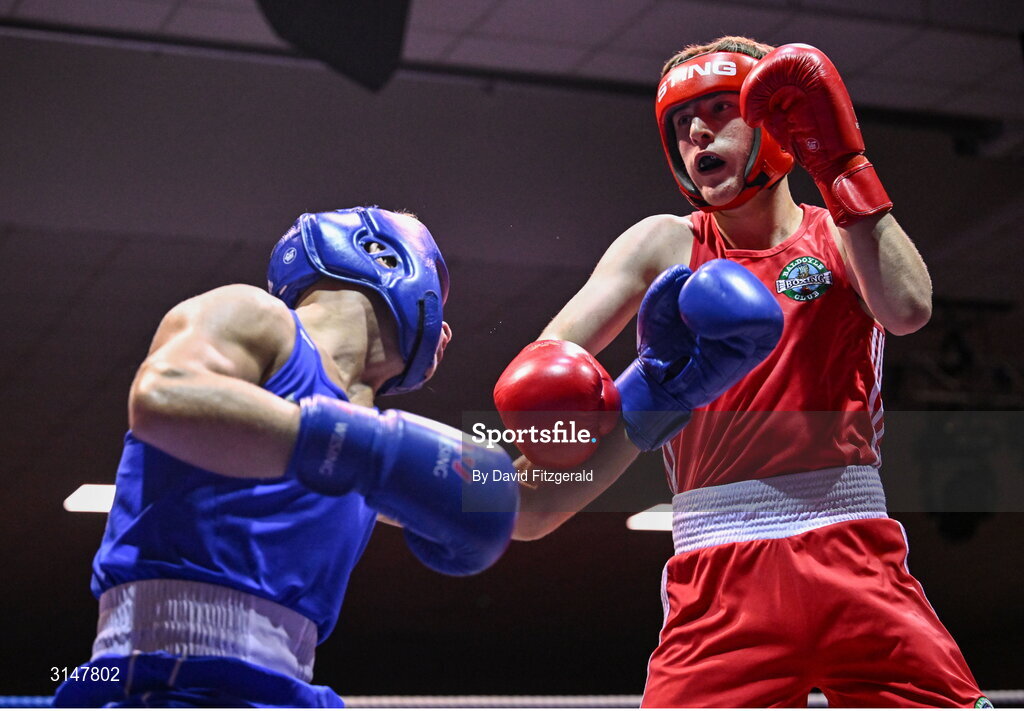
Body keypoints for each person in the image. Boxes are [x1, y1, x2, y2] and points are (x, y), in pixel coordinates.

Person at [495, 37, 988, 707]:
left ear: (779, 124)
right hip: (718, 569)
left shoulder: (843, 231)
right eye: (681, 121)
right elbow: (546, 386)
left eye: (722, 107)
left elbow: (909, 309)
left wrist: (843, 164)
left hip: (855, 552)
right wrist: (617, 400)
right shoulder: (665, 244)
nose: (697, 129)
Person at [54, 206, 519, 707]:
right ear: (383, 255)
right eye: (443, 300)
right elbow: (162, 397)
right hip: (164, 671)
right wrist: (360, 448)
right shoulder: (259, 318)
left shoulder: (367, 440)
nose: (445, 331)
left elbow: (506, 506)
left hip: (286, 685)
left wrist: (613, 416)